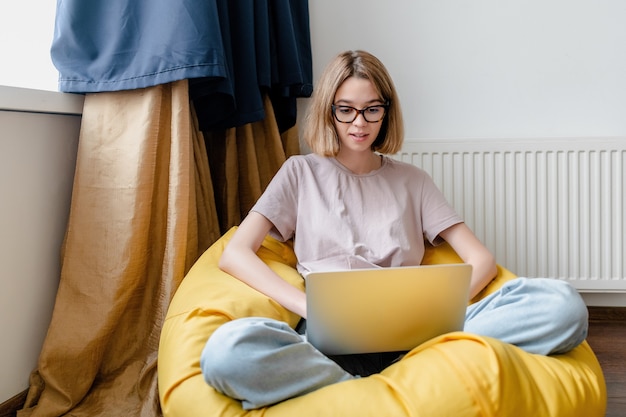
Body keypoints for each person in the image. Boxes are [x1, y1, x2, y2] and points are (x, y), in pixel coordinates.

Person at [200, 50, 589, 410]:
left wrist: (439, 312)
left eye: (372, 110)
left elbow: (481, 259)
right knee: (226, 353)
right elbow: (236, 253)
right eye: (346, 110)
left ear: (386, 111)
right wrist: (310, 308)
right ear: (328, 111)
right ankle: (374, 387)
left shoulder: (413, 180)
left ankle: (366, 388)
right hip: (329, 337)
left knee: (562, 306)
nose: (359, 123)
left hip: (417, 332)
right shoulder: (299, 173)